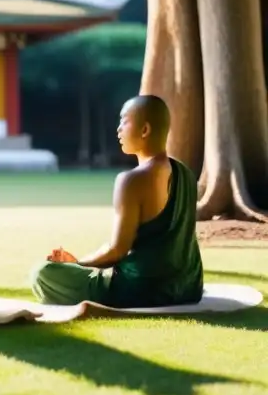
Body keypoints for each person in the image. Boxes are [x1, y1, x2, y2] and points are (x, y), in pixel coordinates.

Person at [31, 95, 204, 307]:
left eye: (124, 121)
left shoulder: (131, 180)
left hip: (142, 289)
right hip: (188, 287)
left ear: (145, 130)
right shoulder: (186, 173)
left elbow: (117, 250)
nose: (118, 129)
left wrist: (76, 264)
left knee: (42, 273)